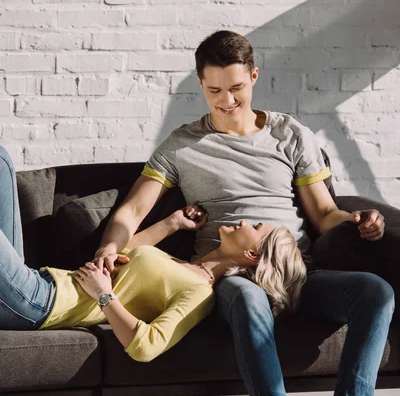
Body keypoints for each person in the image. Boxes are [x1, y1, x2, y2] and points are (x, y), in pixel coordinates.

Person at [92, 30, 394, 396]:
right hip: (229, 276)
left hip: (297, 269)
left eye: (236, 88)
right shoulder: (182, 145)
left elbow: (323, 214)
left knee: (375, 292)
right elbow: (131, 211)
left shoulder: (290, 133)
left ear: (254, 76)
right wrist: (111, 244)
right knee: (250, 297)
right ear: (200, 83)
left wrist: (360, 221)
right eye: (213, 90)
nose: (226, 100)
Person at [0, 145, 306, 365]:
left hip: (37, 303)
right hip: (36, 281)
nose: (242, 221)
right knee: (2, 161)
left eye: (254, 226)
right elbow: (125, 250)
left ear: (252, 253)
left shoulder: (199, 295)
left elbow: (146, 346)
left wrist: (105, 296)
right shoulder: (184, 266)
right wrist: (173, 223)